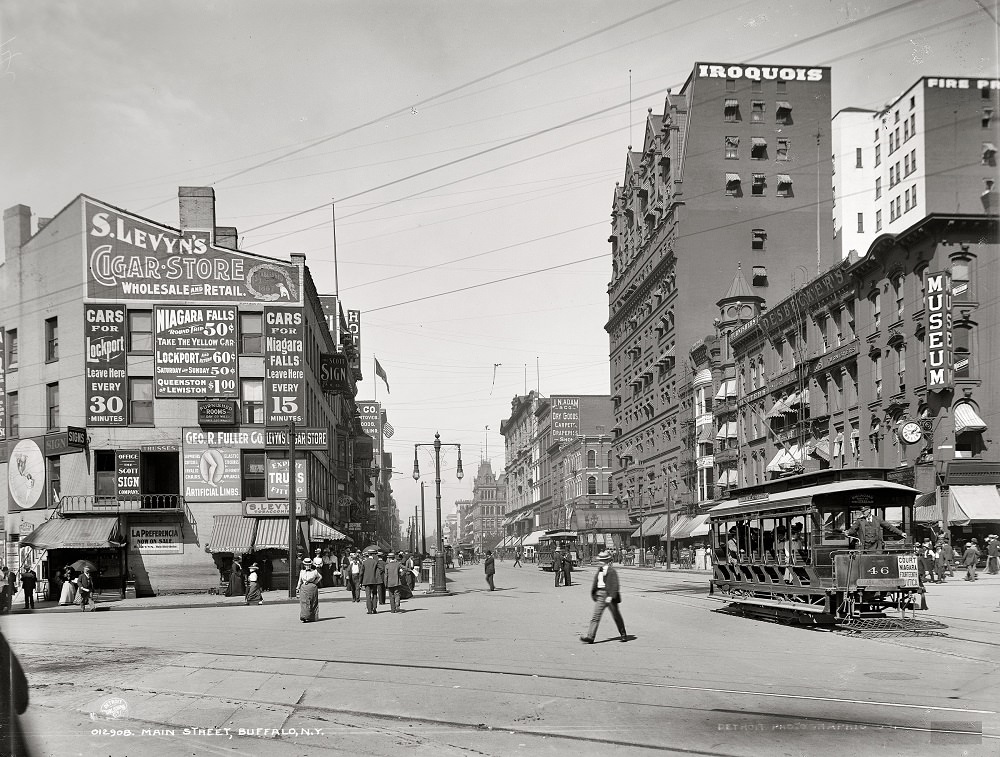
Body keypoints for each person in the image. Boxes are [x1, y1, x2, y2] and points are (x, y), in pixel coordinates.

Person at [580, 550, 627, 644]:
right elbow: (596, 582)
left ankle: (623, 634)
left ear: (606, 561)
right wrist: (595, 593)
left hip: (609, 596)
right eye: (600, 560)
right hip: (600, 595)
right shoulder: (599, 571)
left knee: (616, 615)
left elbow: (615, 585)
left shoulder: (611, 571)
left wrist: (611, 596)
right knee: (595, 616)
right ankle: (590, 637)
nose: (600, 562)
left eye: (601, 560)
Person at [296, 557, 322, 622]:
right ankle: (304, 616)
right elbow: (300, 580)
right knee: (304, 602)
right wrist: (297, 587)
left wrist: (315, 582)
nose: (307, 566)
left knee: (312, 602)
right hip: (304, 587)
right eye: (306, 565)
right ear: (304, 565)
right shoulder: (302, 572)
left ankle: (312, 617)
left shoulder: (314, 572)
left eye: (309, 565)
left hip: (312, 588)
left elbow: (320, 577)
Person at [361, 549, 384, 614]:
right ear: (373, 555)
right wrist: (376, 574)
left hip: (367, 581)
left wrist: (361, 581)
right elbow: (381, 568)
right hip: (374, 581)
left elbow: (361, 572)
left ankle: (369, 610)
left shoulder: (364, 562)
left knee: (368, 596)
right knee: (374, 594)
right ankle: (374, 608)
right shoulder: (375, 562)